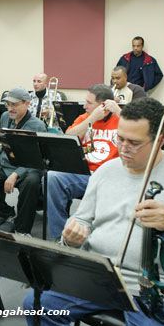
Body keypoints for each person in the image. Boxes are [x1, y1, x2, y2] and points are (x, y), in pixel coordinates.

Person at [23, 97, 164, 326]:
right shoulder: (106, 171)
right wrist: (72, 235)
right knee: (36, 305)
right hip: (101, 275)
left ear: (160, 141)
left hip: (157, 288)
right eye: (120, 138)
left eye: (134, 142)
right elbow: (82, 218)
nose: (123, 148)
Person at [46, 84, 121, 239]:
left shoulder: (119, 120)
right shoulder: (85, 117)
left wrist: (120, 112)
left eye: (89, 103)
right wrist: (92, 119)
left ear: (103, 105)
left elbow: (138, 130)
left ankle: (100, 239)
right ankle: (59, 236)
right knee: (52, 177)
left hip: (109, 178)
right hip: (84, 175)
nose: (84, 105)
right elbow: (68, 137)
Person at [0, 88, 46, 234]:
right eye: (8, 104)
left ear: (27, 103)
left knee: (31, 182)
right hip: (6, 164)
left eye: (14, 105)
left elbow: (36, 159)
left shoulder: (37, 125)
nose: (10, 108)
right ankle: (6, 213)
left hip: (29, 167)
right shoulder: (4, 117)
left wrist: (16, 174)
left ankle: (23, 229)